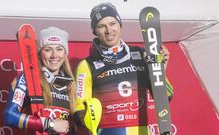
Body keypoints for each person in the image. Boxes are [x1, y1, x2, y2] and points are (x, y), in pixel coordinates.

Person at [73, 2, 173, 135]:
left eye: (113, 23)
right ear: (94, 31)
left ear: (120, 24)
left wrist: (160, 72)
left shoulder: (141, 54)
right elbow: (78, 108)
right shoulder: (86, 65)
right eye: (102, 26)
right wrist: (85, 116)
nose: (109, 30)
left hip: (142, 130)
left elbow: (167, 97)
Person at [3, 26, 76, 135]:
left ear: (65, 54)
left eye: (59, 49)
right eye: (47, 49)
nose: (54, 55)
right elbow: (9, 115)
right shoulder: (28, 79)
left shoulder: (71, 84)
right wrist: (48, 124)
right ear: (39, 53)